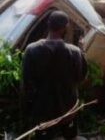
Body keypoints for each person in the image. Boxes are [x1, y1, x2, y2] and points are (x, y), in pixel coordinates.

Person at [22, 11, 87, 140]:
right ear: (66, 27)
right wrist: (82, 51)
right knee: (70, 137)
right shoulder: (75, 52)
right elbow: (81, 78)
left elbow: (27, 86)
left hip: (43, 112)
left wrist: (28, 112)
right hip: (68, 111)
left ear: (48, 24)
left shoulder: (31, 50)